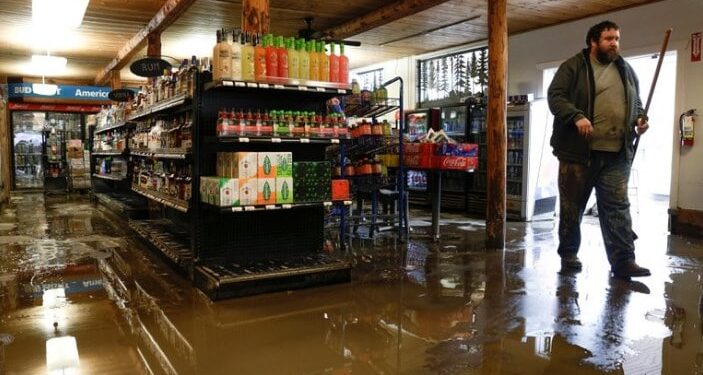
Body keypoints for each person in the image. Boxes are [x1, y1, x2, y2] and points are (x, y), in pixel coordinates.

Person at [547, 20, 651, 278]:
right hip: (578, 154)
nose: (614, 42)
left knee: (617, 208)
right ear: (593, 42)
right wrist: (576, 116)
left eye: (617, 38)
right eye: (608, 38)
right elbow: (555, 96)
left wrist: (639, 118)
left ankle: (623, 261)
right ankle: (569, 254)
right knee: (572, 207)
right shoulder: (573, 67)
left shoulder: (625, 69)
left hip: (617, 153)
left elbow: (635, 100)